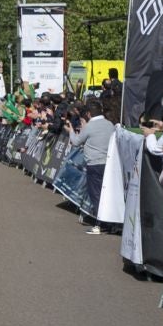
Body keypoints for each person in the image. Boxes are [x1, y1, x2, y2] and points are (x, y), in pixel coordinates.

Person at [70, 95, 118, 233]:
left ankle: (101, 224)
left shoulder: (90, 126)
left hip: (94, 164)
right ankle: (111, 223)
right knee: (108, 194)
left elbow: (76, 141)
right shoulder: (109, 124)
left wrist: (71, 131)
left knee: (96, 195)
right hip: (109, 164)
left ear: (89, 114)